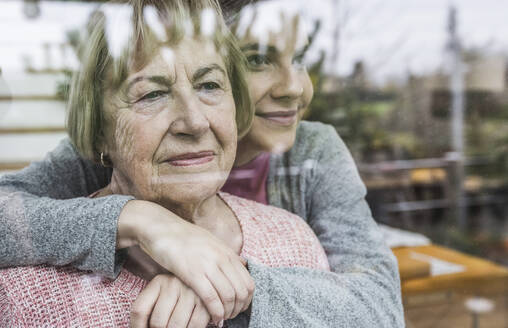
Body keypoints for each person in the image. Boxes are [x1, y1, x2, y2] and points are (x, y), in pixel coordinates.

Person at [0, 0, 404, 326]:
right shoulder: (99, 155)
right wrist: (139, 219)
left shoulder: (310, 160)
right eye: (259, 59)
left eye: (209, 84)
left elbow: (378, 306)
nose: (295, 87)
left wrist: (225, 287)